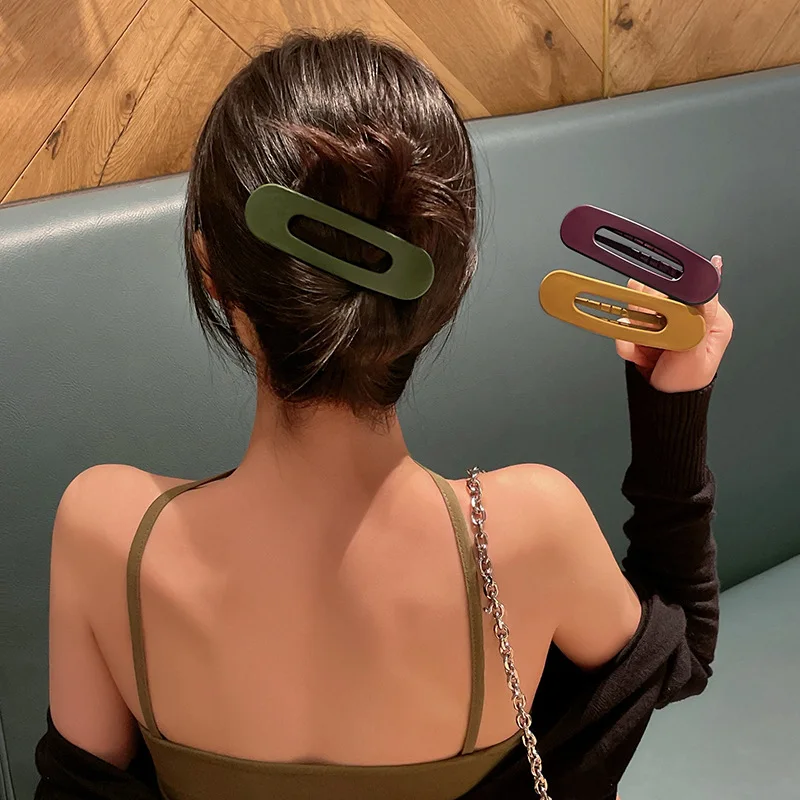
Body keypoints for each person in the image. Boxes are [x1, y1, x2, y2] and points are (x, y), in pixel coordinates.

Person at [35, 31, 733, 800]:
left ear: (211, 272)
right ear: (449, 286)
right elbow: (681, 654)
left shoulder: (106, 535)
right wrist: (674, 404)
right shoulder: (531, 534)